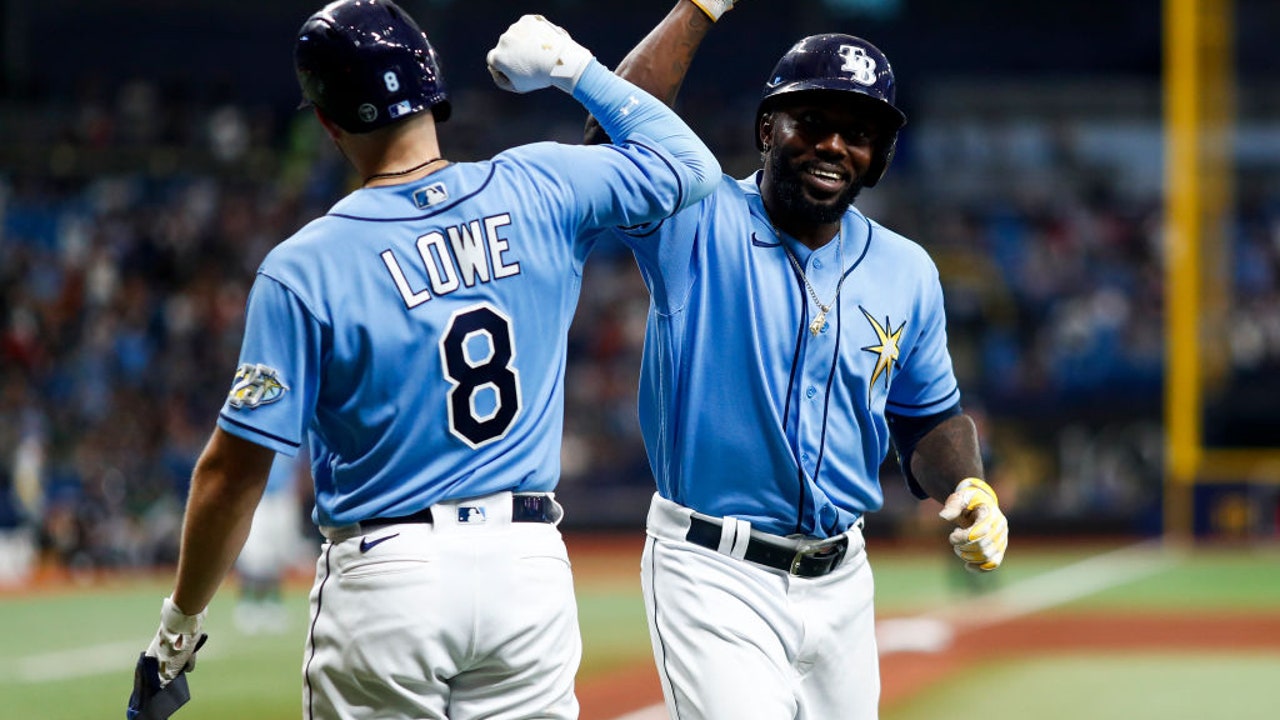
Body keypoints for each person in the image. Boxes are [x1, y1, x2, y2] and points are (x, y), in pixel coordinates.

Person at [129, 1, 719, 718]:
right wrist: (575, 68)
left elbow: (231, 472)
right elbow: (691, 167)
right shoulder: (540, 185)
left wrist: (178, 628)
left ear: (327, 122)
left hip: (389, 573)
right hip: (525, 568)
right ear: (433, 86)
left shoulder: (304, 266)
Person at [584, 2, 1009, 718]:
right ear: (766, 130)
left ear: (881, 156)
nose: (834, 146)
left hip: (844, 578)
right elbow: (612, 143)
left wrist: (968, 486)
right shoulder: (696, 217)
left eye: (860, 133)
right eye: (811, 122)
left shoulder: (907, 270)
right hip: (713, 570)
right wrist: (697, 9)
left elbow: (926, 414)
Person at [232, 450, 310, 635]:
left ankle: (274, 603)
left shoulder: (293, 433)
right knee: (254, 554)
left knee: (278, 554)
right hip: (258, 497)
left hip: (283, 497)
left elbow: (299, 469)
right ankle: (248, 603)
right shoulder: (257, 430)